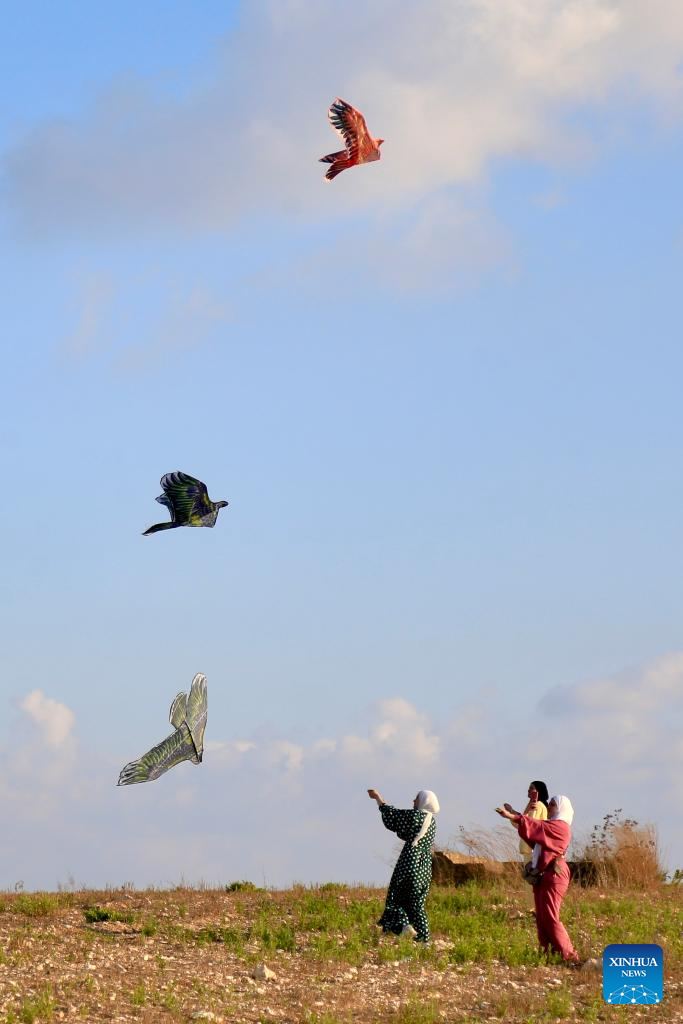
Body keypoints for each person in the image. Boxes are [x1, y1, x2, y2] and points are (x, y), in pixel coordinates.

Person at [496, 795, 579, 963]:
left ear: (562, 808)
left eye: (553, 805)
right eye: (549, 804)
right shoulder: (551, 826)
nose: (549, 807)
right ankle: (550, 954)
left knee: (549, 917)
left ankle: (569, 956)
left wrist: (514, 816)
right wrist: (516, 814)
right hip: (545, 874)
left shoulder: (561, 827)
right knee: (542, 917)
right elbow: (536, 832)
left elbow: (537, 827)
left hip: (554, 874)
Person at [368, 787, 440, 943]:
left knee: (397, 896)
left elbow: (393, 817)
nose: (413, 801)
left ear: (424, 801)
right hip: (425, 865)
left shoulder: (416, 816)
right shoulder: (432, 821)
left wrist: (378, 799)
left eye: (416, 799)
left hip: (410, 861)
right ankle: (423, 938)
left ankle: (404, 927)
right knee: (417, 902)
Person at [513, 781, 549, 865]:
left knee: (532, 875)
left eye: (532, 788)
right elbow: (522, 823)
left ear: (538, 792)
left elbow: (528, 825)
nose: (528, 790)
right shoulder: (532, 805)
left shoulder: (538, 805)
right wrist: (511, 812)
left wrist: (510, 813)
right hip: (531, 849)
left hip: (533, 849)